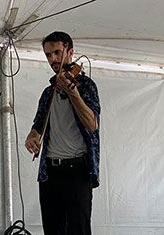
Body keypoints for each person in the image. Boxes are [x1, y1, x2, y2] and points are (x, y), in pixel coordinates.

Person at [24, 31, 101, 235]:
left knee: (79, 230)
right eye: (49, 55)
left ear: (70, 52)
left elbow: (92, 124)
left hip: (77, 170)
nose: (53, 59)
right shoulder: (48, 92)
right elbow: (38, 123)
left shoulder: (86, 86)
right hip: (50, 172)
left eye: (57, 52)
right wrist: (32, 135)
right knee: (53, 230)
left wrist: (72, 92)